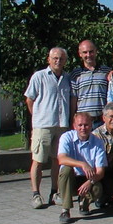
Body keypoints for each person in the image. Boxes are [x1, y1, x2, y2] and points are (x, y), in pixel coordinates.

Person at [25, 47, 72, 209]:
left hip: (61, 125)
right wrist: (38, 117)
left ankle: (55, 192)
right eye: (55, 58)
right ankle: (36, 194)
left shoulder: (67, 78)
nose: (58, 61)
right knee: (38, 160)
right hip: (43, 125)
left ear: (65, 60)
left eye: (61, 58)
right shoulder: (39, 76)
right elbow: (30, 100)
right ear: (49, 59)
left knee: (57, 161)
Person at [56, 112, 107, 224]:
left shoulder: (98, 142)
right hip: (70, 178)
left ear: (91, 125)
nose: (83, 128)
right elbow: (62, 159)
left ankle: (84, 204)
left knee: (97, 188)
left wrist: (90, 182)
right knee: (66, 169)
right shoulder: (66, 137)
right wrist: (83, 164)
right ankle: (65, 210)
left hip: (87, 178)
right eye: (80, 125)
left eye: (86, 125)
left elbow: (100, 172)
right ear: (74, 126)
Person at [70, 40, 111, 125]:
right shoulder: (76, 74)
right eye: (85, 52)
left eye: (91, 52)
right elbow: (73, 99)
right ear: (80, 54)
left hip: (101, 120)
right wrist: (72, 121)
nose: (88, 55)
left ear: (96, 51)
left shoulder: (106, 71)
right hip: (83, 122)